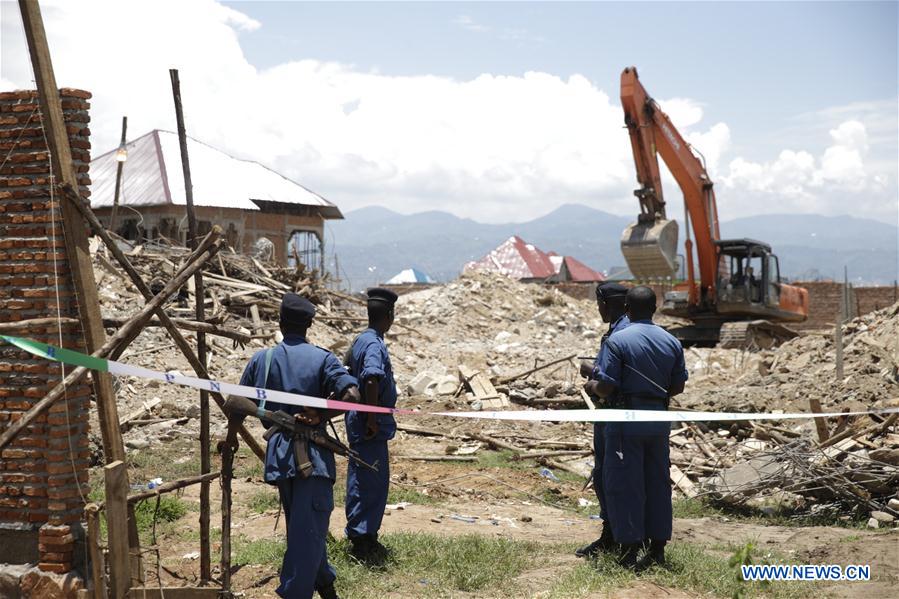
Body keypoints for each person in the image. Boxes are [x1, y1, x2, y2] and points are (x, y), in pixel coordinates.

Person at [239, 293, 361, 599]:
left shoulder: (261, 359)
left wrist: (239, 434)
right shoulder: (323, 359)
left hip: (280, 457)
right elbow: (352, 396)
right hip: (313, 457)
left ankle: (325, 583)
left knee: (303, 527)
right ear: (309, 325)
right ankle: (295, 592)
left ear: (280, 322)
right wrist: (321, 414)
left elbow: (239, 402)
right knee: (308, 531)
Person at [586, 286, 688, 571]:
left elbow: (606, 387)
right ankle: (656, 550)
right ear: (655, 309)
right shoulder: (671, 341)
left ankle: (628, 552)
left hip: (625, 421)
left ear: (627, 309)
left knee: (624, 485)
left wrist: (591, 385)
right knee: (657, 483)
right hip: (658, 421)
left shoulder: (618, 340)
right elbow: (677, 386)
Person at [344, 288, 399, 562]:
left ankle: (360, 535)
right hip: (368, 426)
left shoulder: (360, 340)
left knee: (361, 478)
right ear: (389, 316)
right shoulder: (374, 344)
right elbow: (370, 379)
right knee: (370, 482)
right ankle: (363, 541)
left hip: (361, 423)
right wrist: (372, 418)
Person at [575, 282, 630, 559]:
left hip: (614, 415)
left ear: (607, 304)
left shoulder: (620, 334)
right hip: (628, 415)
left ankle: (614, 536)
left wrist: (592, 376)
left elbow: (611, 381)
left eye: (599, 304)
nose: (598, 310)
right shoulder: (626, 329)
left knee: (608, 476)